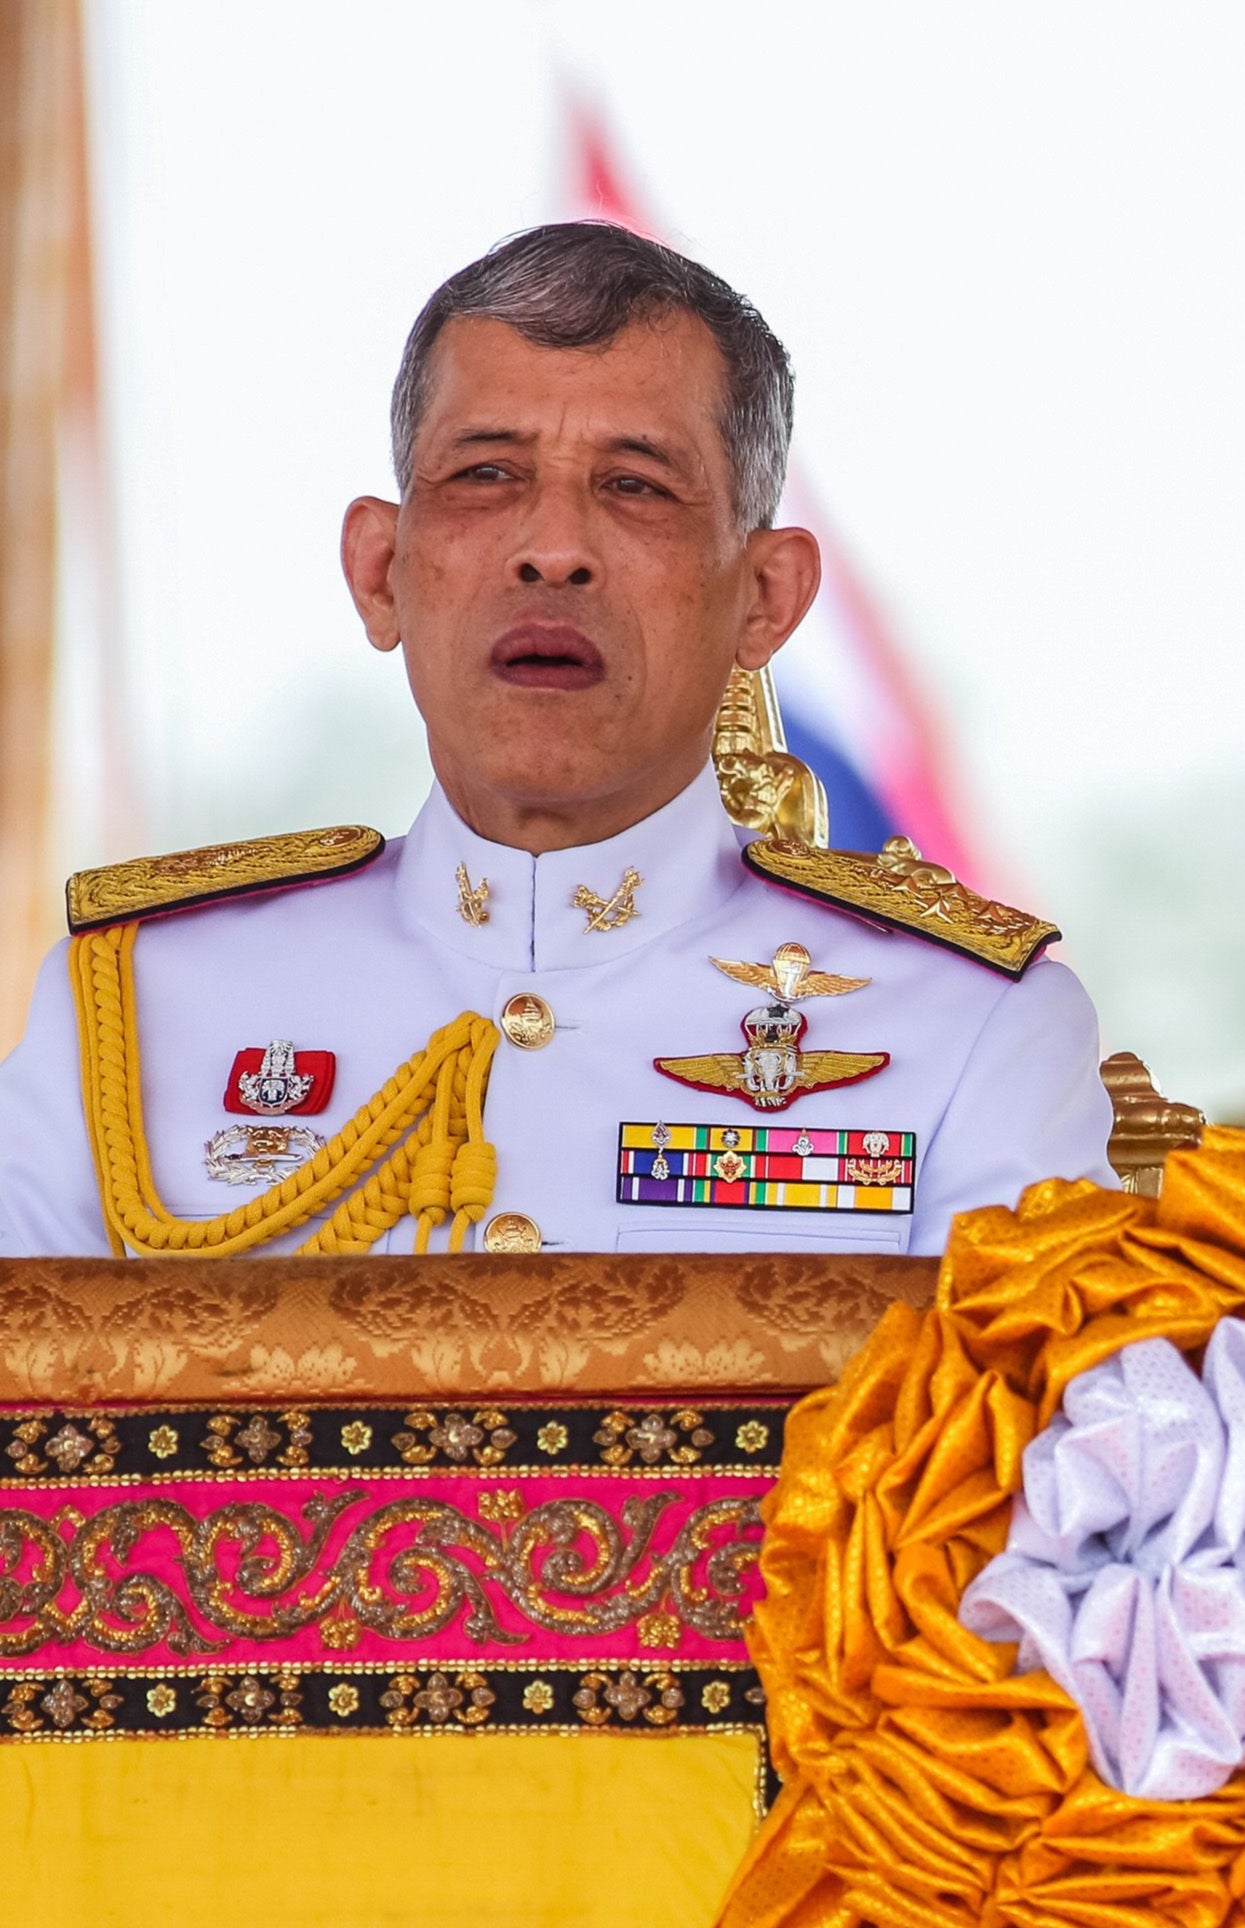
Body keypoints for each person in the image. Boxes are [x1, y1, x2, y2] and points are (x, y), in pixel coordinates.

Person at [0, 222, 1109, 1261]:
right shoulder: (136, 1004)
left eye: (635, 486)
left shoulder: (970, 1028)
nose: (554, 548)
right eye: (487, 474)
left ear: (765, 600)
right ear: (379, 572)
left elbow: (1008, 1457)